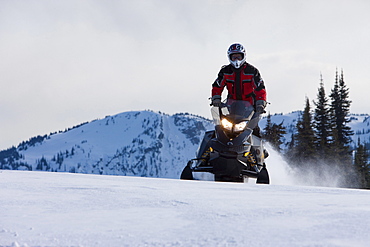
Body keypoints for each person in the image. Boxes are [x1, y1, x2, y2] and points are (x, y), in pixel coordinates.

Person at [211, 43, 267, 137]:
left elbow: (260, 88)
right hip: (231, 105)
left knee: (253, 130)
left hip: (250, 106)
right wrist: (216, 98)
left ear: (243, 56)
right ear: (229, 57)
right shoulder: (225, 71)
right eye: (234, 57)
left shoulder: (252, 71)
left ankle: (258, 150)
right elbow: (217, 85)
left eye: (239, 57)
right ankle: (210, 150)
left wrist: (261, 102)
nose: (236, 60)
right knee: (220, 129)